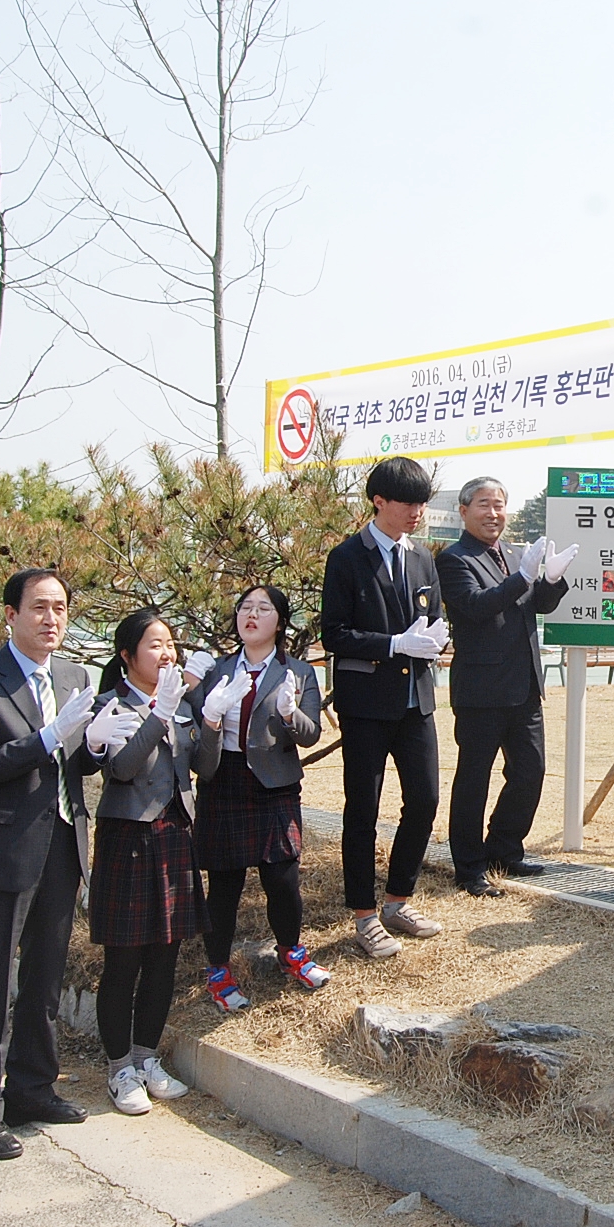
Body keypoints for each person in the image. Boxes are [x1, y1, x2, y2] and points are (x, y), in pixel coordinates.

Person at [0, 568, 99, 1159]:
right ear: (10, 615)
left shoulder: (73, 675)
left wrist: (95, 743)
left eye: (60, 607)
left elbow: (76, 762)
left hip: (63, 842)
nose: (52, 618)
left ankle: (33, 1088)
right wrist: (47, 739)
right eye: (39, 607)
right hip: (2, 850)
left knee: (44, 976)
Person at [322, 456, 453, 958]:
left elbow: (434, 618)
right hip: (366, 704)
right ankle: (363, 913)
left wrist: (432, 641)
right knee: (363, 808)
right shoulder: (347, 557)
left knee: (424, 799)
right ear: (379, 501)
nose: (418, 510)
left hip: (416, 699)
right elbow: (334, 633)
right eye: (408, 502)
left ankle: (398, 899)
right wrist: (395, 644)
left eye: (423, 501)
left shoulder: (421, 557)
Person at [83, 609, 212, 1116]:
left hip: (176, 835)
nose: (167, 653)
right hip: (129, 838)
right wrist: (159, 712)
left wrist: (211, 720)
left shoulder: (182, 705)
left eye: (170, 644)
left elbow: (205, 768)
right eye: (155, 645)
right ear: (126, 656)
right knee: (124, 961)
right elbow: (121, 767)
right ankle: (119, 1068)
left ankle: (146, 1058)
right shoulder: (109, 706)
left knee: (165, 957)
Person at [185, 586, 329, 1012]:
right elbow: (193, 723)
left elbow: (311, 734)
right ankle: (218, 971)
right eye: (245, 607)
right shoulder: (217, 669)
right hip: (222, 780)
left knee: (283, 880)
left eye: (263, 609)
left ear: (279, 622)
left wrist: (289, 713)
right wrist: (196, 690)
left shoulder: (298, 672)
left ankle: (291, 953)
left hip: (274, 785)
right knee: (224, 885)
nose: (251, 615)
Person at [437, 477, 577, 897]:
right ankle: (469, 868)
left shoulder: (518, 554)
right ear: (464, 511)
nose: (493, 513)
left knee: (530, 770)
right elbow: (478, 607)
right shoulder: (454, 559)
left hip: (525, 685)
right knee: (473, 779)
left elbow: (539, 606)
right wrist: (523, 577)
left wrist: (550, 580)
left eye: (499, 505)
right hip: (481, 690)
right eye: (484, 505)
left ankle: (504, 849)